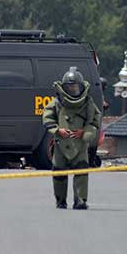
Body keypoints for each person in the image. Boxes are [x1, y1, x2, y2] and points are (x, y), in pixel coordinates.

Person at [42, 67, 102, 210]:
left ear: (81, 87)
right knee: (59, 173)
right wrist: (57, 130)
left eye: (75, 87)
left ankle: (80, 200)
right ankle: (60, 200)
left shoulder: (88, 103)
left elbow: (94, 119)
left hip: (80, 144)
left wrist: (85, 132)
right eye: (69, 87)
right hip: (60, 143)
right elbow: (47, 116)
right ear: (64, 88)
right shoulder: (57, 102)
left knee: (81, 172)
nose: (73, 90)